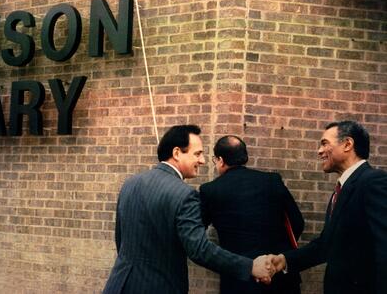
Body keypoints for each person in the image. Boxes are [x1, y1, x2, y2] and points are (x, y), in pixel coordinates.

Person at [103, 125, 274, 294]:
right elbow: (199, 249)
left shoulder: (130, 183)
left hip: (119, 284)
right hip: (159, 287)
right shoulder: (185, 194)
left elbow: (121, 239)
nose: (203, 161)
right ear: (177, 153)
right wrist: (250, 266)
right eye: (198, 154)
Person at [272, 121, 387, 294]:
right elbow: (326, 244)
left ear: (348, 144)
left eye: (325, 143)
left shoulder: (373, 182)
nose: (319, 151)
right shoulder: (341, 190)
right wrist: (284, 260)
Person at [200, 135, 304, 294]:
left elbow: (198, 232)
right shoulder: (272, 180)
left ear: (220, 160)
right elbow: (297, 222)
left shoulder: (210, 190)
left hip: (240, 279)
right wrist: (278, 255)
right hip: (279, 275)